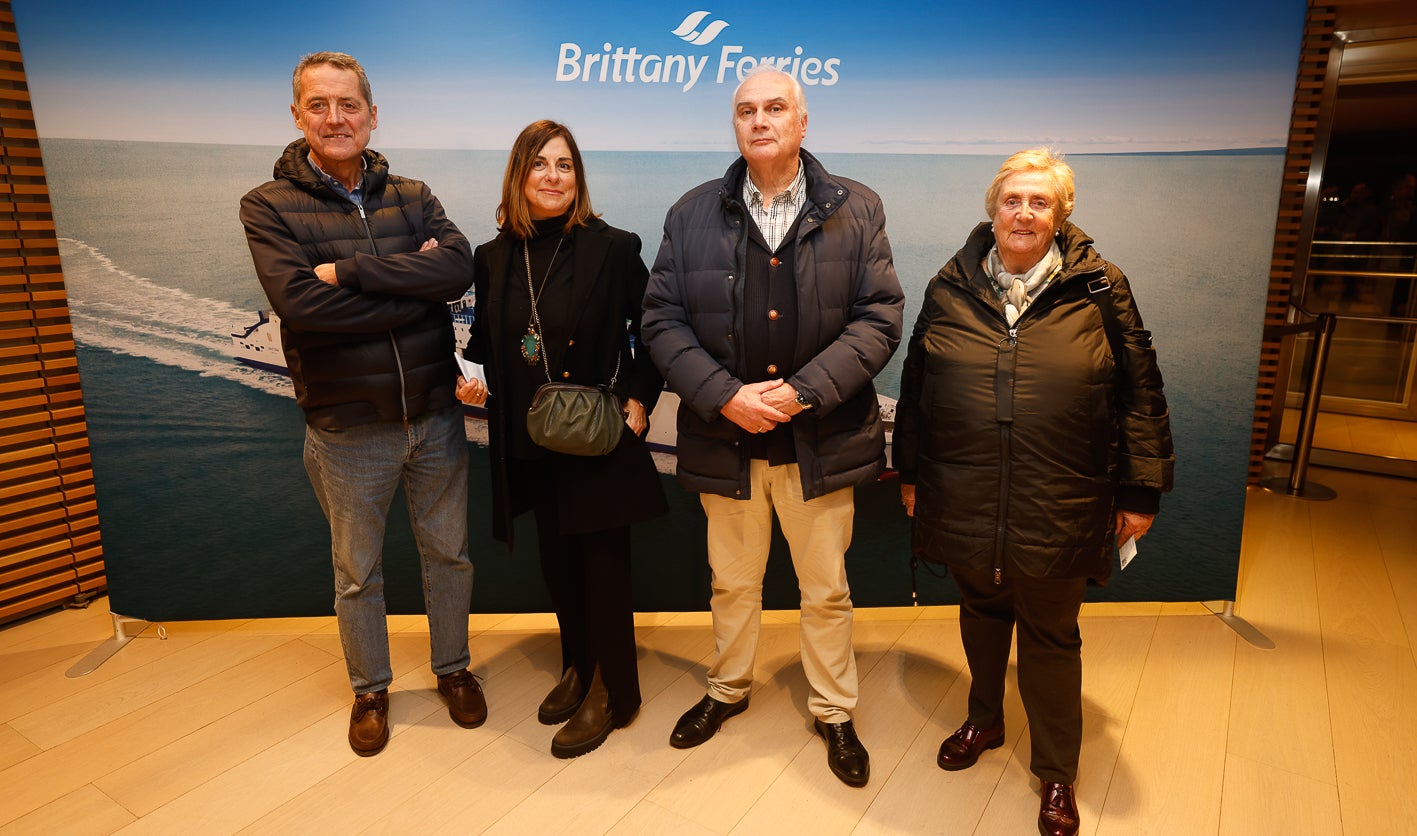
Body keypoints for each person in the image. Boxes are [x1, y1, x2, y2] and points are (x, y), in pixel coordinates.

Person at [893, 148, 1174, 836]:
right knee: (981, 612)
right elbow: (917, 389)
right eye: (1012, 199)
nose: (1023, 212)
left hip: (1063, 497)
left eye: (1038, 202)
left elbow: (1141, 393)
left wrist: (1140, 489)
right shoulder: (948, 285)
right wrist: (910, 476)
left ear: (1060, 214)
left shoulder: (1101, 286)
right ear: (992, 209)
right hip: (963, 492)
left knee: (1051, 635)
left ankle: (1055, 772)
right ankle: (983, 722)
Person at [641, 65, 904, 788]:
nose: (759, 121)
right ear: (735, 125)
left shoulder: (858, 208)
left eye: (775, 108)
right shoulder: (690, 212)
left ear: (802, 121)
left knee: (825, 589)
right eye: (745, 110)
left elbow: (879, 319)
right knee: (731, 583)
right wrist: (723, 395)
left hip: (817, 439)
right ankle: (726, 689)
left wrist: (799, 394)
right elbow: (659, 320)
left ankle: (833, 709)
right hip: (724, 439)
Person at [240, 51, 483, 757]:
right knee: (358, 574)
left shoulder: (412, 192)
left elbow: (459, 267)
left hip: (435, 414)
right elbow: (299, 305)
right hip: (348, 429)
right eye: (319, 105)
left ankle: (453, 669)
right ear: (297, 116)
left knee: (450, 557)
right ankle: (370, 689)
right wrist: (413, 292)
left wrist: (349, 272)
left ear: (372, 115)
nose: (335, 118)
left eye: (348, 104)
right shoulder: (266, 204)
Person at [456, 120, 667, 759]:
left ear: (579, 178)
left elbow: (657, 327)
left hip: (595, 433)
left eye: (565, 165)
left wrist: (639, 399)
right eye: (540, 164)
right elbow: (486, 342)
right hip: (528, 434)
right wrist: (471, 375)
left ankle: (615, 690)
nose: (553, 176)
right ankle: (577, 665)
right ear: (519, 175)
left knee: (602, 568)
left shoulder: (612, 248)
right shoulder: (492, 257)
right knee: (557, 563)